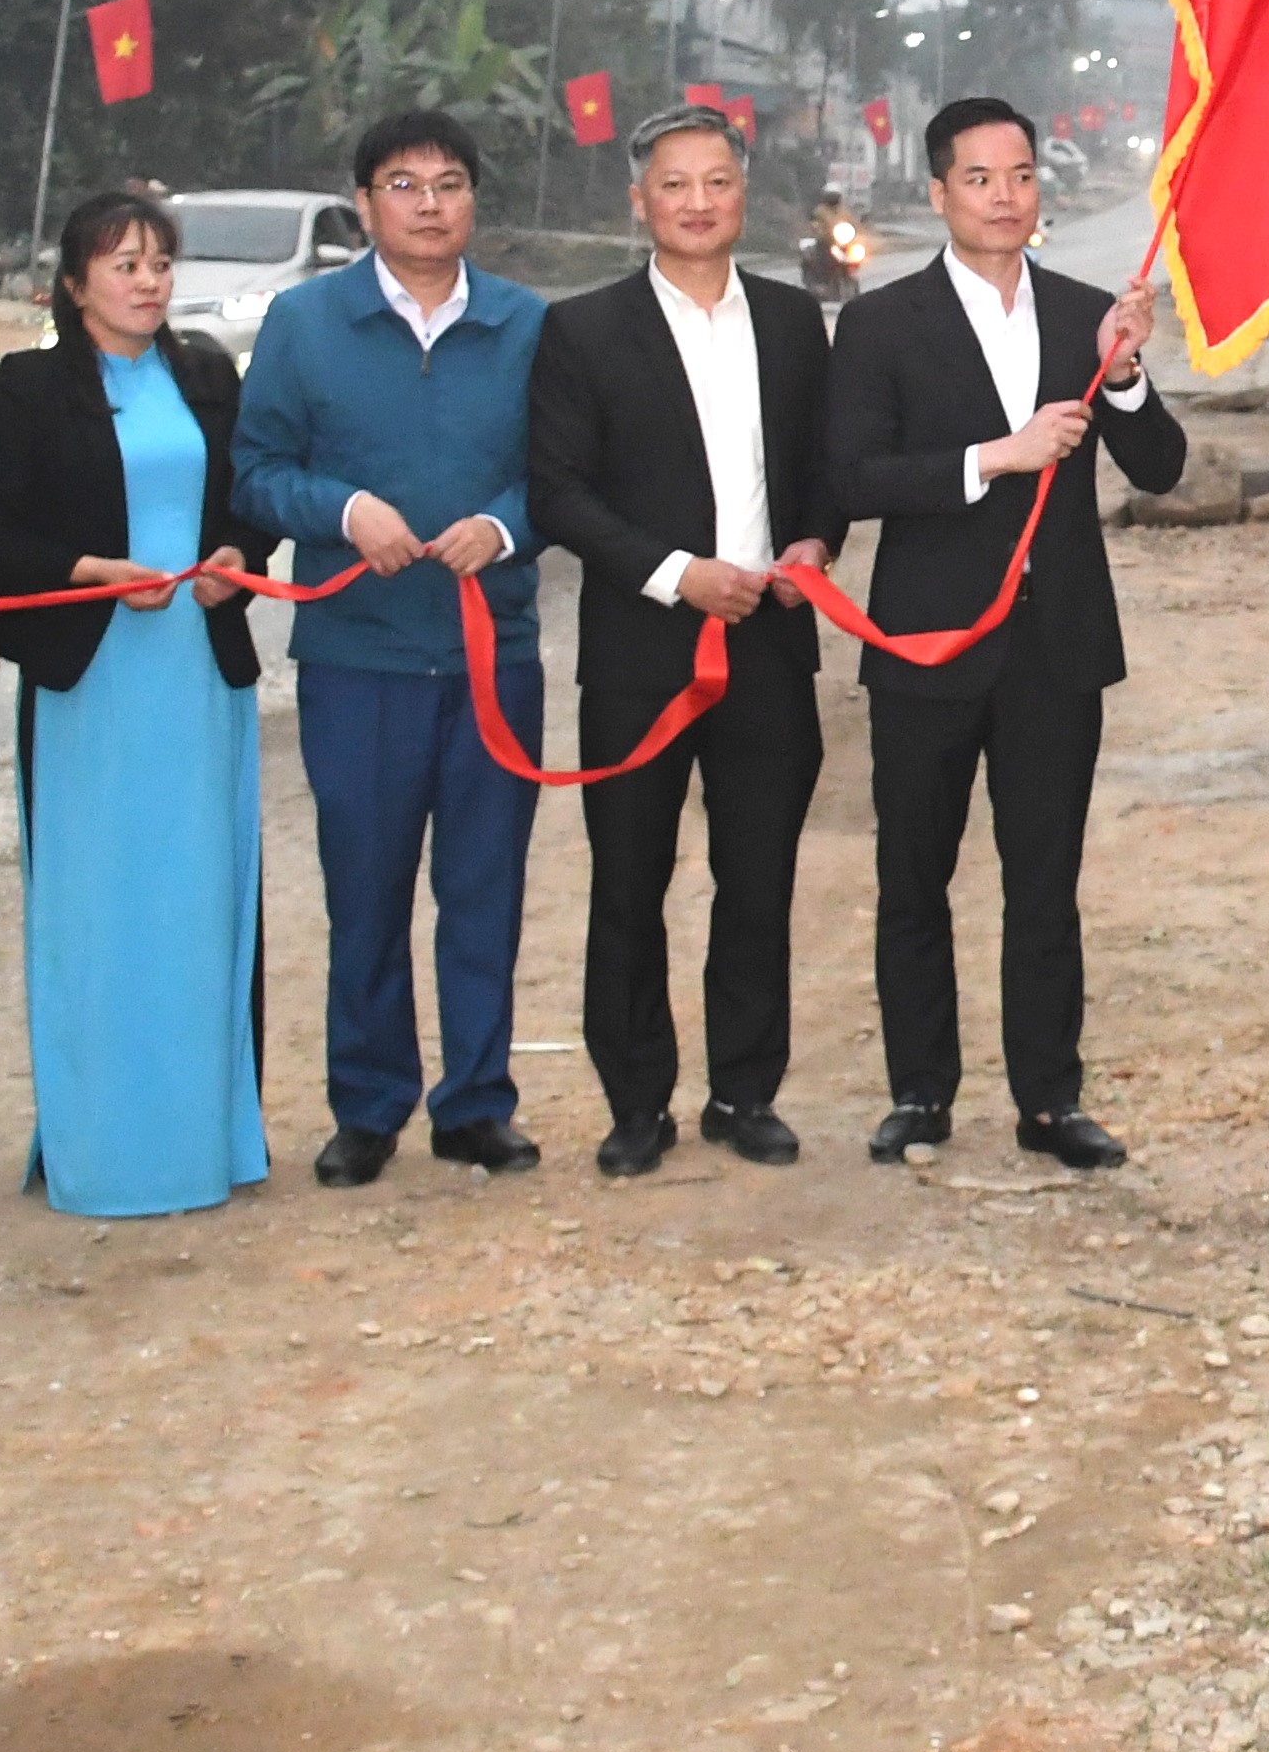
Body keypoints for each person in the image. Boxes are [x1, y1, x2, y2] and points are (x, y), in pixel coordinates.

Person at [823, 92, 1184, 1169]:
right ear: (940, 192)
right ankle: (920, 1093)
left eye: (1021, 175)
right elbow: (853, 476)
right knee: (913, 877)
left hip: (1053, 649)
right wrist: (996, 457)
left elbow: (1161, 468)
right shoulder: (883, 322)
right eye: (979, 178)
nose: (1005, 196)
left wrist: (1125, 376)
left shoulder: (1085, 314)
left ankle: (1050, 1101)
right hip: (927, 646)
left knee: (1044, 884)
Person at [232, 109, 549, 1186]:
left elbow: (567, 472)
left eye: (449, 184)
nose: (429, 205)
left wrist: (503, 525)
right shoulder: (305, 323)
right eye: (404, 185)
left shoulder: (525, 324)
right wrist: (343, 508)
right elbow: (257, 471)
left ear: (474, 202)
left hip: (491, 657)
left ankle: (477, 1103)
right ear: (364, 204)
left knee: (483, 890)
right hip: (357, 661)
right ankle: (367, 1106)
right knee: (364, 892)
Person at [528, 104, 839, 1175]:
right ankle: (636, 1104)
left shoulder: (793, 321)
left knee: (759, 880)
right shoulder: (582, 330)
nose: (697, 202)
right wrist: (676, 575)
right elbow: (559, 491)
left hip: (769, 645)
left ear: (743, 195)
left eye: (717, 181)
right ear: (639, 201)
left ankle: (745, 1092)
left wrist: (815, 542)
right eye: (674, 184)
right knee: (629, 881)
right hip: (642, 651)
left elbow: (823, 467)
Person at [0, 188, 276, 1221]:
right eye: (124, 264)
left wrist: (239, 556)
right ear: (74, 281)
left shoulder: (206, 375)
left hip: (198, 678)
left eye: (159, 264)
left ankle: (207, 1138)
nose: (148, 283)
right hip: (94, 685)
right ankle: (101, 1148)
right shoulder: (26, 390)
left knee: (198, 905)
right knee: (98, 914)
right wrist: (86, 570)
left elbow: (250, 499)